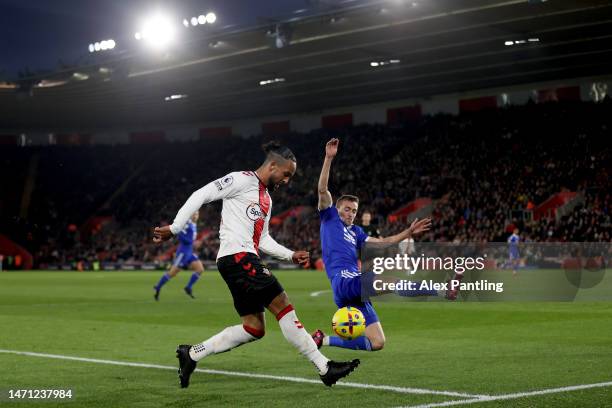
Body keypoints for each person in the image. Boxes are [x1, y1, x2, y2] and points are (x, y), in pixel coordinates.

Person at [153, 141, 359, 389]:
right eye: (286, 174)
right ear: (272, 165)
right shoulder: (240, 180)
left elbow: (262, 239)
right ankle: (324, 367)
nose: (287, 180)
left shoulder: (267, 200)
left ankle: (192, 353)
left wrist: (290, 255)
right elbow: (202, 194)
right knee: (282, 303)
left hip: (239, 259)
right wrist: (175, 228)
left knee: (254, 328)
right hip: (238, 257)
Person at [312, 138, 447, 352]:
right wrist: (329, 158)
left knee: (377, 342)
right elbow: (322, 190)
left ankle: (321, 340)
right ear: (337, 208)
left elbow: (384, 242)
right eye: (347, 209)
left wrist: (408, 232)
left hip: (351, 287)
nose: (351, 213)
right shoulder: (329, 218)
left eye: (354, 211)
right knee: (391, 282)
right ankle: (442, 290)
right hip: (344, 281)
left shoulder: (356, 231)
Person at [153, 211, 205, 300]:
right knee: (172, 273)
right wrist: (190, 241)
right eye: (194, 214)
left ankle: (188, 287)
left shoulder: (193, 224)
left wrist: (193, 243)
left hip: (190, 251)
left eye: (197, 214)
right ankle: (158, 286)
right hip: (183, 252)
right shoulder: (187, 224)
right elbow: (179, 233)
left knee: (200, 269)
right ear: (191, 215)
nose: (196, 216)